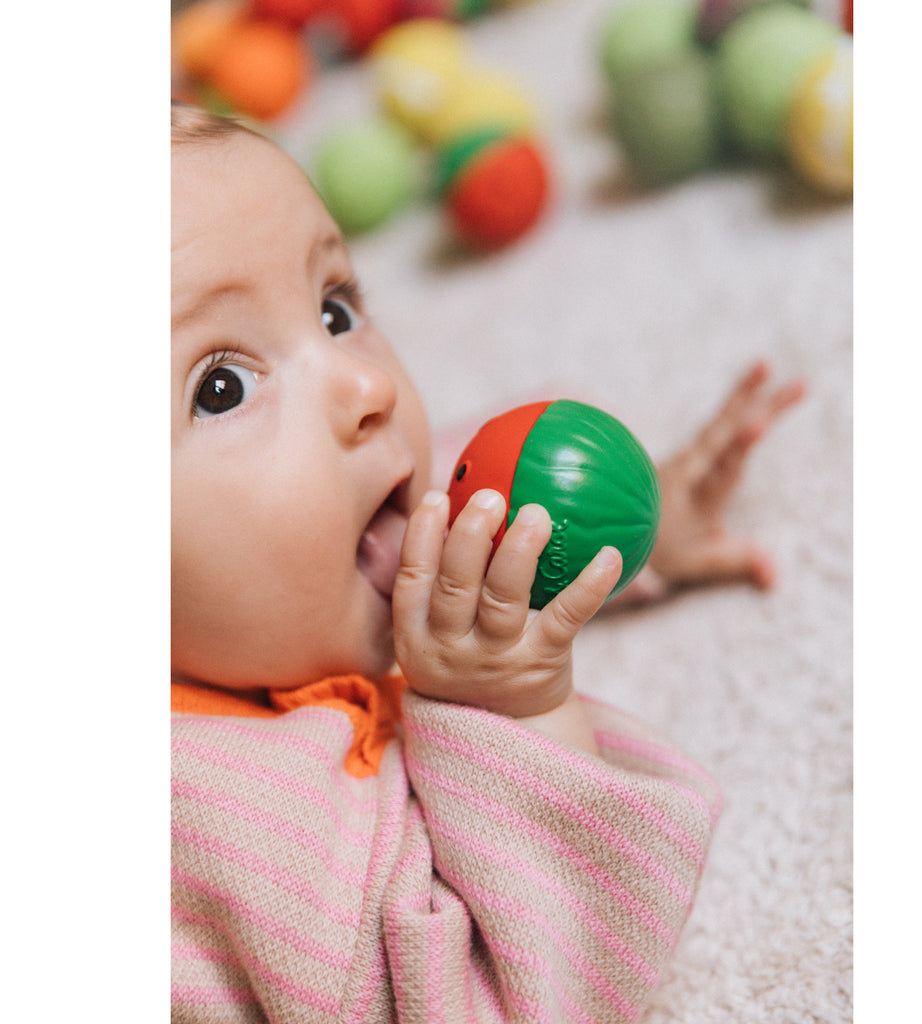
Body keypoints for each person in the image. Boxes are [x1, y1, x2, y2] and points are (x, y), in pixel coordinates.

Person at [171, 101, 804, 1023]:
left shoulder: (254, 572)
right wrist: (512, 712)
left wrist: (610, 534)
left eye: (335, 308)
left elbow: (446, 500)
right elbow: (510, 999)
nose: (368, 385)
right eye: (221, 386)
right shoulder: (237, 846)